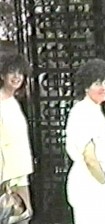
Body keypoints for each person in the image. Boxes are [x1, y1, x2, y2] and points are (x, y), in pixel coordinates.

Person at [65, 58, 105, 224]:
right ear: (86, 87)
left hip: (97, 179)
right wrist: (104, 181)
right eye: (97, 83)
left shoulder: (95, 110)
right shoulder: (82, 112)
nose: (103, 88)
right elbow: (90, 157)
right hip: (92, 182)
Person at [0, 54, 34, 224]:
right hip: (6, 175)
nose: (16, 77)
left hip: (19, 171)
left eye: (20, 73)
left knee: (23, 216)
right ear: (2, 75)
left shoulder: (13, 101)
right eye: (12, 72)